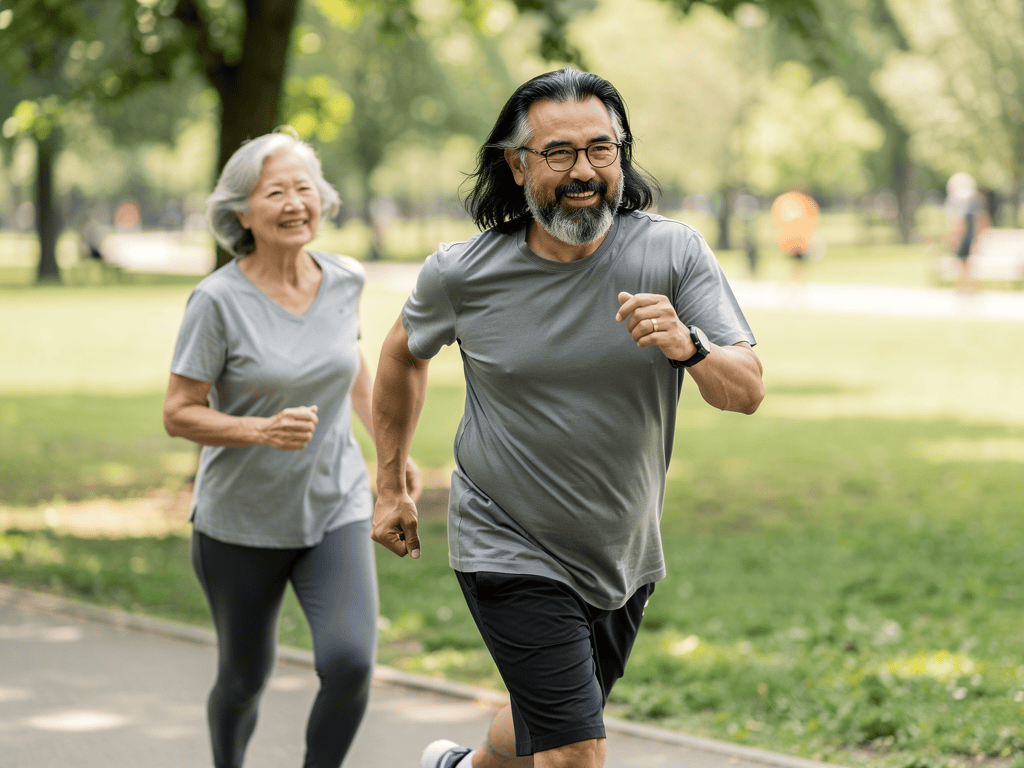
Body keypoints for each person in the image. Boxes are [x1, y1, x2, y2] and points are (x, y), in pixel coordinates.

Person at [370, 68, 764, 768]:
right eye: (560, 154)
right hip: (505, 538)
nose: (584, 171)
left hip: (622, 550)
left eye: (601, 150)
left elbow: (746, 390)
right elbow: (401, 355)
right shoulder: (463, 274)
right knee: (576, 750)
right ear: (517, 163)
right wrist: (392, 480)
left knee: (540, 724)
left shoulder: (671, 254)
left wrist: (690, 346)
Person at [162, 131, 421, 768]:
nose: (294, 202)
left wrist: (389, 452)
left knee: (350, 661)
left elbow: (352, 365)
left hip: (333, 505)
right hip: (240, 521)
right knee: (245, 677)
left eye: (304, 188)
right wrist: (259, 430)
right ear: (241, 213)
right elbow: (178, 412)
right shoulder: (217, 301)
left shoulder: (344, 280)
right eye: (275, 191)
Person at [945, 171, 989, 292]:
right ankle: (965, 288)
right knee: (963, 264)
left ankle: (968, 288)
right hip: (965, 238)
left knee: (966, 264)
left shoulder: (971, 207)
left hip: (966, 238)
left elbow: (960, 224)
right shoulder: (971, 205)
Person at [770, 189, 819, 282]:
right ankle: (795, 281)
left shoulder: (786, 200)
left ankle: (794, 281)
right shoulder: (798, 202)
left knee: (797, 263)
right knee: (797, 263)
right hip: (796, 240)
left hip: (794, 239)